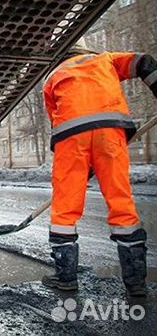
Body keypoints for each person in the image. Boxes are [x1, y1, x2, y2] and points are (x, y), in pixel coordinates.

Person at [42, 38, 157, 297]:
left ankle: (66, 278)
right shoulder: (106, 59)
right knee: (121, 203)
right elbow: (144, 62)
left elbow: (56, 120)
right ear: (85, 48)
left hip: (71, 138)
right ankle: (136, 283)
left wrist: (80, 165)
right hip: (110, 131)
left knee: (65, 208)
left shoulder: (53, 76)